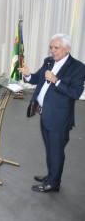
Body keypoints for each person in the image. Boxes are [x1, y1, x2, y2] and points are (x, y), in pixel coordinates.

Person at [18, 33, 85, 193]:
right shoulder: (48, 61)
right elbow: (37, 79)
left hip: (59, 118)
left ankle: (54, 184)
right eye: (51, 47)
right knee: (50, 149)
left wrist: (57, 80)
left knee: (56, 151)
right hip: (44, 114)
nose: (53, 51)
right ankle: (51, 175)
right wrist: (28, 75)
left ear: (67, 49)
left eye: (57, 48)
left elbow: (76, 93)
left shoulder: (78, 67)